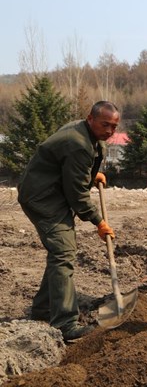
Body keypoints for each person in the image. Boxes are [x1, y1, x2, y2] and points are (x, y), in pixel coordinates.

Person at [17, 101, 119, 342]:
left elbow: (71, 168)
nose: (109, 131)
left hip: (52, 192)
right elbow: (77, 195)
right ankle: (64, 323)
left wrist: (91, 175)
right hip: (43, 198)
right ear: (90, 119)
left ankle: (43, 309)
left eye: (114, 126)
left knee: (60, 252)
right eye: (105, 124)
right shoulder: (78, 143)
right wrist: (98, 221)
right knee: (63, 252)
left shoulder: (85, 133)